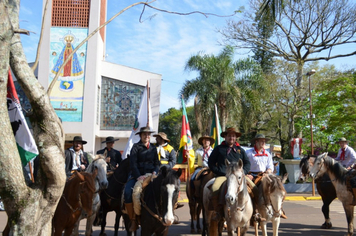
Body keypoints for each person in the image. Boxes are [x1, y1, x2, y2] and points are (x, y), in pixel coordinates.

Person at [208, 127, 250, 218]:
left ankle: (254, 213)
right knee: (214, 189)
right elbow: (211, 162)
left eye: (233, 136)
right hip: (223, 176)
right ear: (225, 137)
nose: (231, 138)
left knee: (254, 189)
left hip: (239, 176)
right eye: (229, 135)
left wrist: (244, 172)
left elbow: (247, 163)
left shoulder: (240, 150)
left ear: (236, 138)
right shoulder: (218, 149)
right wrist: (218, 171)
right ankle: (217, 212)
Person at [124, 126, 160, 232]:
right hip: (137, 175)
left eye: (148, 134)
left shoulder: (153, 148)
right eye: (144, 134)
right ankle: (134, 220)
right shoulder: (135, 147)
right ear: (140, 135)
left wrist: (155, 172)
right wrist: (138, 175)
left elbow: (157, 163)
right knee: (127, 193)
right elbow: (133, 164)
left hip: (151, 174)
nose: (147, 136)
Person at [246, 133, 287, 219]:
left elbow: (270, 166)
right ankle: (253, 209)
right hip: (251, 175)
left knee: (276, 187)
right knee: (250, 190)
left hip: (264, 174)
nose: (263, 143)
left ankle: (279, 209)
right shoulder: (248, 153)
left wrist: (268, 172)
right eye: (261, 141)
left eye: (264, 141)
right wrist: (247, 174)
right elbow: (245, 165)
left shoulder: (267, 154)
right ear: (256, 142)